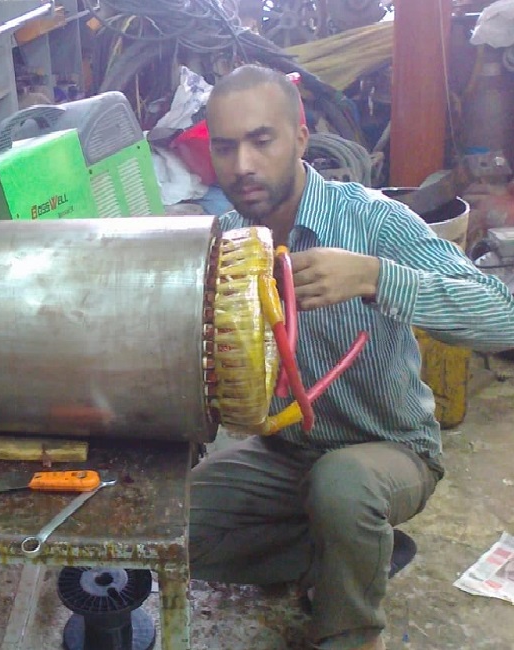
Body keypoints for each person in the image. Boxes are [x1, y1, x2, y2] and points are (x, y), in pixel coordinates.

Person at [189, 64, 514, 650]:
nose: (242, 165)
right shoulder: (227, 244)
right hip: (285, 453)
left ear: (300, 138)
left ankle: (353, 631)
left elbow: (502, 315)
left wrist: (375, 278)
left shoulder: (373, 221)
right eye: (225, 147)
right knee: (173, 528)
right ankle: (346, 551)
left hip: (390, 451)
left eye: (261, 141)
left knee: (343, 486)